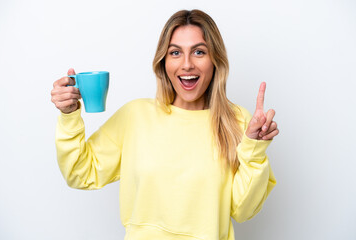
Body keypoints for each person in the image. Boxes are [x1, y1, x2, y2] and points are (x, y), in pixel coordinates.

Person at [51, 9, 279, 240]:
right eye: (175, 52)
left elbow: (243, 210)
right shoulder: (136, 116)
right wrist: (69, 115)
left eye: (199, 52)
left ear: (215, 61)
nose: (187, 64)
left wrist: (254, 148)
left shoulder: (237, 121)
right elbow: (80, 173)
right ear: (164, 62)